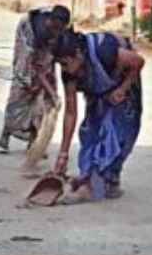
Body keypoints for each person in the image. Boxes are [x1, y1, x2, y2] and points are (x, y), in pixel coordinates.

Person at [51, 21, 145, 202]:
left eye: (65, 63)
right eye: (60, 64)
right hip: (99, 93)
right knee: (91, 130)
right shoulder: (69, 73)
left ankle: (103, 181)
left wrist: (123, 89)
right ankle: (89, 177)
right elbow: (71, 113)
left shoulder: (105, 51)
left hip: (123, 84)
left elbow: (138, 61)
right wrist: (63, 154)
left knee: (116, 133)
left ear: (78, 55)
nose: (63, 68)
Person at [0, 6, 67, 153]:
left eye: (59, 30)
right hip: (28, 44)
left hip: (44, 50)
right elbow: (34, 64)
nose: (56, 32)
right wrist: (32, 82)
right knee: (21, 89)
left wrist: (52, 92)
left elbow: (49, 65)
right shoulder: (34, 30)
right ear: (50, 21)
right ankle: (6, 133)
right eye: (55, 28)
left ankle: (34, 141)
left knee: (45, 101)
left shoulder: (59, 34)